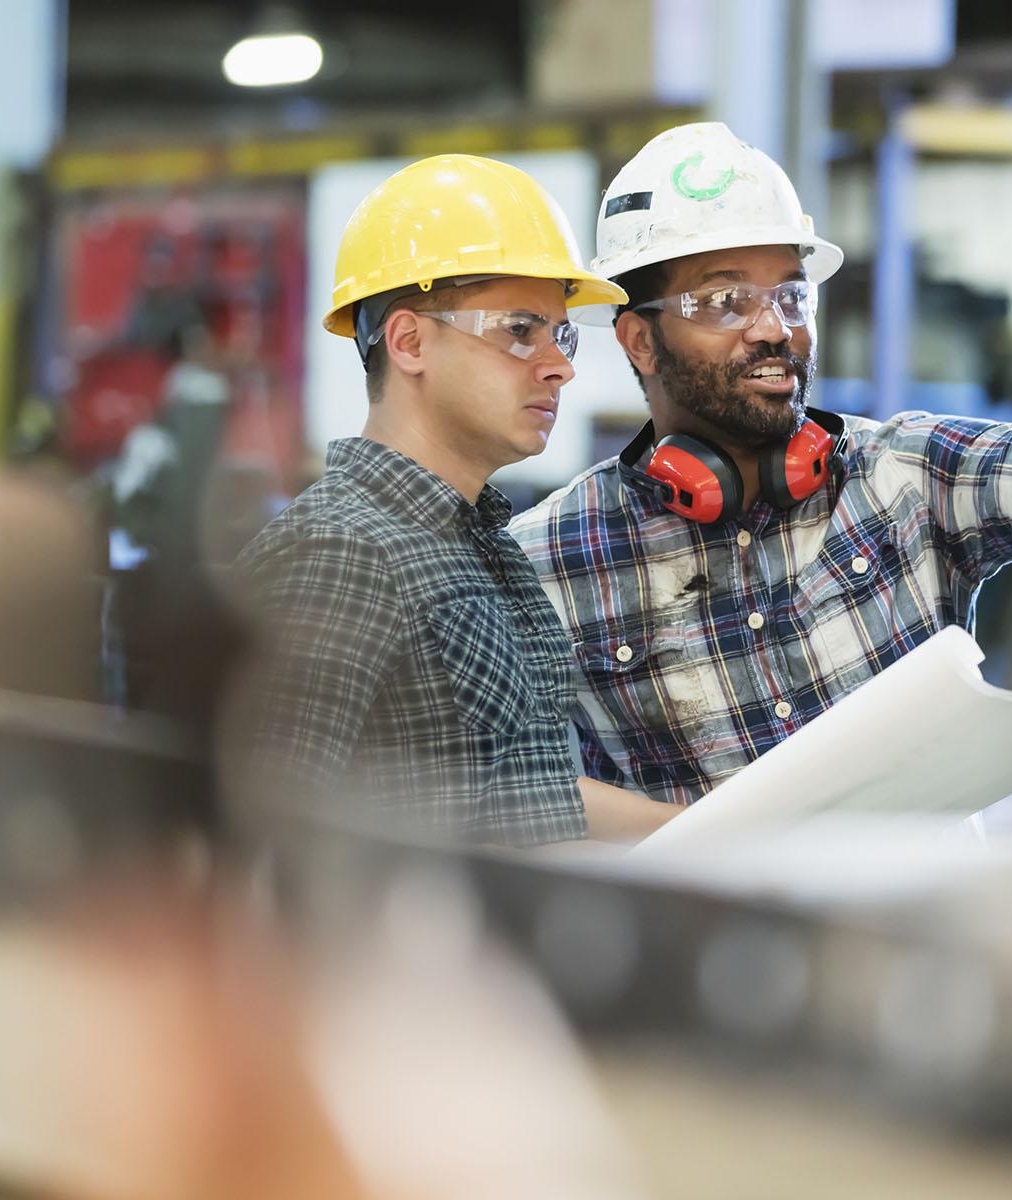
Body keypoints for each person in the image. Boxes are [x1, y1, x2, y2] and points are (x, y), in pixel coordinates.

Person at [511, 122, 1012, 805]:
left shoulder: (902, 475)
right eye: (726, 300)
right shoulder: (547, 562)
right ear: (636, 336)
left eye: (790, 295)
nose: (774, 329)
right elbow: (528, 801)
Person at [229, 153, 680, 848]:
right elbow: (252, 830)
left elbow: (529, 793)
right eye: (519, 330)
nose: (558, 364)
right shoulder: (339, 554)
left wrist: (724, 835)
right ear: (409, 342)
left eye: (560, 334)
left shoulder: (480, 545)